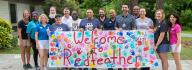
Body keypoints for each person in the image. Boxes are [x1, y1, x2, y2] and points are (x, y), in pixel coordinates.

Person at [116, 4, 136, 70]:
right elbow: (115, 27)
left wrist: (132, 33)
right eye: (123, 7)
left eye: (125, 7)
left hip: (129, 40)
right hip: (120, 40)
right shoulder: (117, 17)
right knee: (121, 55)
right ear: (121, 9)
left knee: (130, 55)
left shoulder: (132, 17)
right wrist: (117, 29)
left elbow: (134, 28)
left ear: (128, 9)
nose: (124, 8)